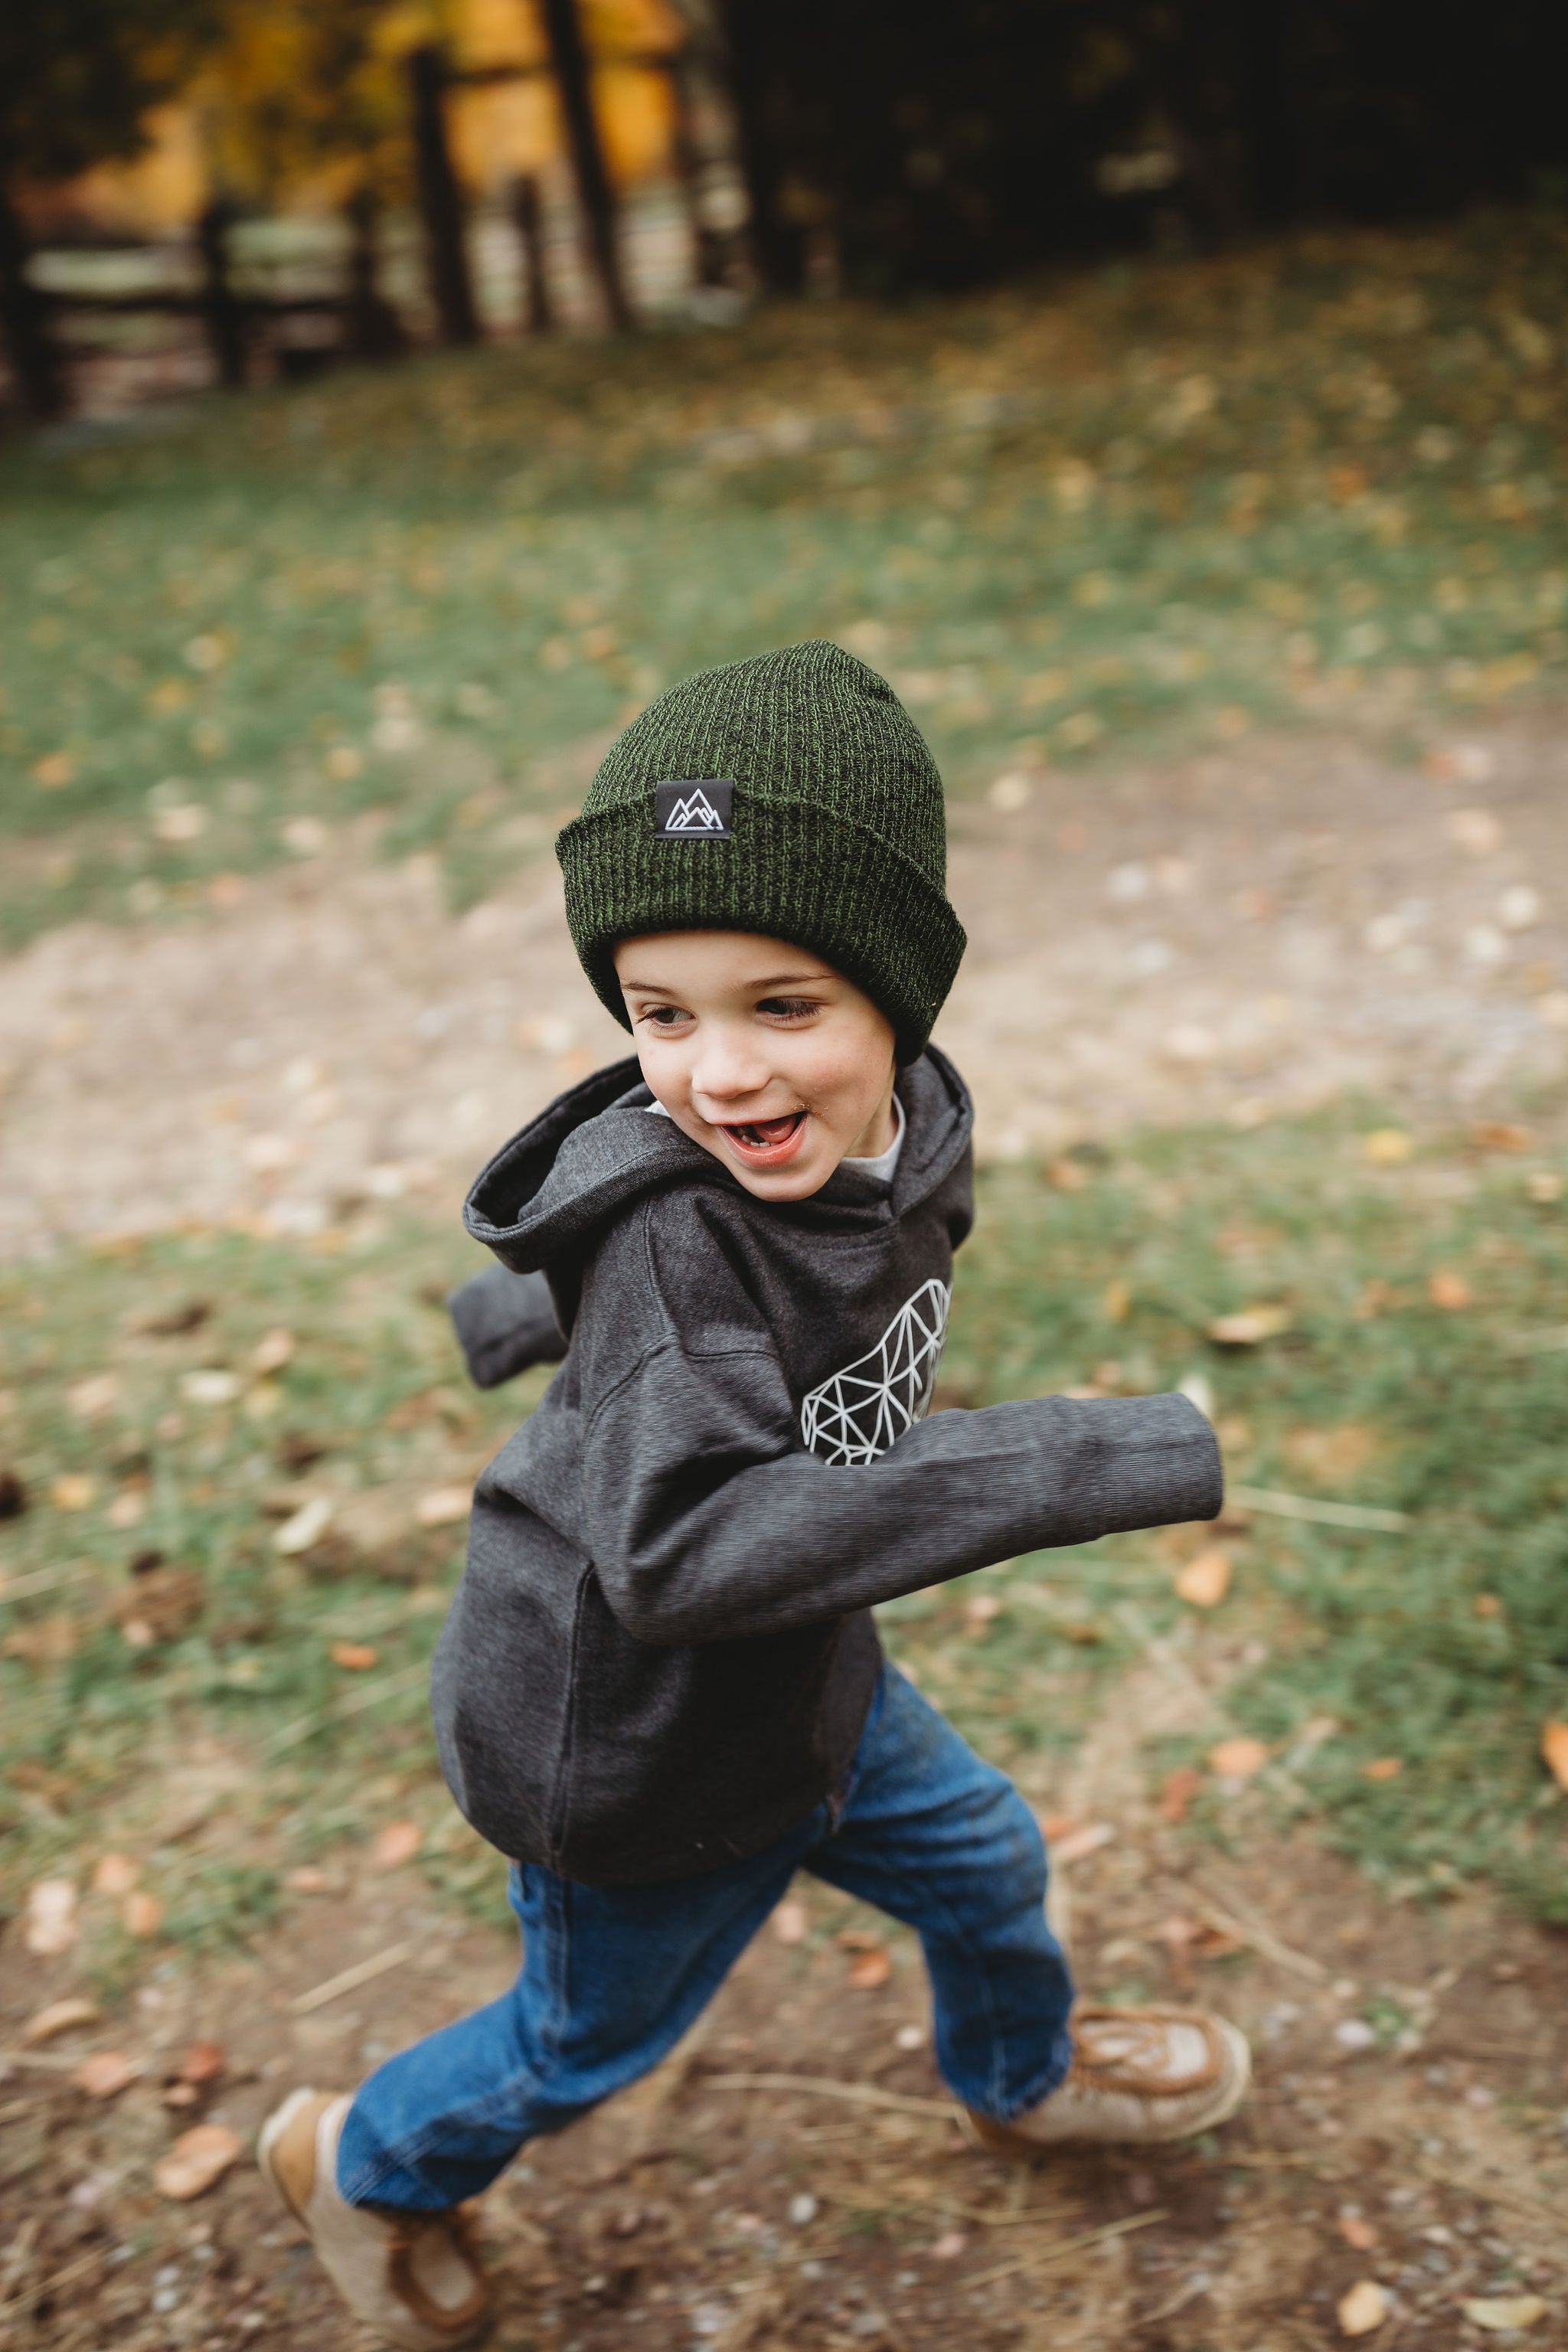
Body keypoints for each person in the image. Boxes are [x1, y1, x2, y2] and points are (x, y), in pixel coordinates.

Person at [259, 642, 1248, 2350]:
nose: (718, 1076)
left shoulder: (907, 1131)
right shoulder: (682, 1237)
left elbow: (804, 1278)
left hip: (805, 1669)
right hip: (633, 1741)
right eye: (663, 1016)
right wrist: (1087, 1457)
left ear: (899, 1000)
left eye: (782, 1006)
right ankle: (363, 2162)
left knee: (985, 1856)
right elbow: (682, 1543)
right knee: (584, 2043)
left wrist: (521, 1315)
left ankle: (1020, 2077)